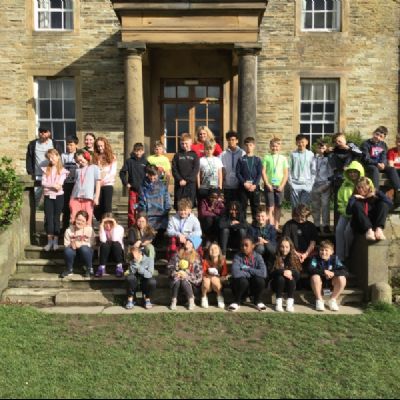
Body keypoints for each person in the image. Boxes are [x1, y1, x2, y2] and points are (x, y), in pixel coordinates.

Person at [335, 161, 372, 261]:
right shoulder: (344, 185)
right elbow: (340, 201)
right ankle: (339, 256)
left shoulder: (366, 181)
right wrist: (345, 212)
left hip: (358, 213)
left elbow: (371, 193)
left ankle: (347, 253)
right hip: (345, 213)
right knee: (339, 229)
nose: (352, 174)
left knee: (347, 231)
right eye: (350, 172)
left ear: (360, 172)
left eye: (355, 172)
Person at [324, 132, 364, 225]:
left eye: (339, 140)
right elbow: (326, 155)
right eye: (336, 142)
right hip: (339, 170)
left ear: (344, 139)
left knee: (350, 154)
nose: (338, 143)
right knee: (331, 154)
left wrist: (348, 148)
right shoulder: (336, 148)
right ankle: (336, 172)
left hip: (349, 168)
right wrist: (327, 151)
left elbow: (360, 154)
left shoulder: (351, 144)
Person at [228, 237, 267, 312]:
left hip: (252, 285)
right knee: (243, 281)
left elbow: (263, 273)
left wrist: (246, 268)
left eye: (246, 245)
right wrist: (252, 274)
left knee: (260, 280)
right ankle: (237, 301)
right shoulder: (237, 256)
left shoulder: (258, 257)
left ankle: (257, 301)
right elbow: (235, 273)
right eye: (242, 245)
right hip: (240, 285)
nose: (244, 247)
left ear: (253, 246)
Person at [346, 177, 392, 241]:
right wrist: (353, 197)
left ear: (369, 187)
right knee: (356, 204)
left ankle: (379, 229)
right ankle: (369, 230)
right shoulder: (356, 198)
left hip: (374, 222)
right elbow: (348, 212)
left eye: (363, 187)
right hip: (361, 225)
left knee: (383, 204)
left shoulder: (376, 195)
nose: (361, 190)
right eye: (359, 187)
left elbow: (390, 204)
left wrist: (377, 193)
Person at [26, 127, 62, 208]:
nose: (42, 133)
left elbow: (59, 157)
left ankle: (50, 215)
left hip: (52, 175)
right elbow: (29, 159)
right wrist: (30, 172)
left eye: (45, 131)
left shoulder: (54, 143)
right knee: (36, 196)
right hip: (38, 174)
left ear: (49, 133)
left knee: (52, 196)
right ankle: (33, 215)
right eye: (41, 131)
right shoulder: (33, 144)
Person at [41, 149, 69, 251]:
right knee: (49, 218)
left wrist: (50, 185)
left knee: (56, 218)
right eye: (49, 158)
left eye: (53, 157)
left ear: (58, 156)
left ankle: (55, 241)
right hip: (48, 196)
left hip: (58, 197)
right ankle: (49, 242)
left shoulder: (63, 171)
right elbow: (43, 183)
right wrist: (52, 185)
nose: (51, 159)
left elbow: (59, 185)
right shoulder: (46, 169)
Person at [308, 240, 348, 312]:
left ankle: (333, 300)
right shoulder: (315, 258)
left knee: (342, 278)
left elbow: (344, 270)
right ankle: (319, 300)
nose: (324, 252)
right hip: (318, 283)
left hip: (331, 283)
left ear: (331, 252)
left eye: (326, 250)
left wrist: (333, 273)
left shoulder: (335, 259)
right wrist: (324, 272)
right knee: (315, 277)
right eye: (321, 250)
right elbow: (310, 269)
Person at [360, 126, 400, 194]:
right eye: (377, 134)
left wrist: (383, 163)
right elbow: (366, 158)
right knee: (374, 169)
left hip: (380, 165)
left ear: (383, 138)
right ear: (373, 133)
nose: (378, 137)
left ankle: (398, 188)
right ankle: (376, 191)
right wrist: (376, 164)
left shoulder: (383, 144)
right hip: (369, 165)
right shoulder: (365, 144)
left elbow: (384, 156)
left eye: (381, 136)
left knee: (391, 169)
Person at [261, 136, 288, 230]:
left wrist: (282, 185)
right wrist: (267, 183)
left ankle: (276, 226)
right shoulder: (266, 157)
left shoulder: (283, 158)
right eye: (273, 146)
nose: (275, 148)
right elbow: (263, 171)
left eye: (277, 146)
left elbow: (286, 173)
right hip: (269, 185)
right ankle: (270, 226)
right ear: (270, 146)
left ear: (280, 147)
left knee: (278, 207)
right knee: (270, 207)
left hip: (279, 185)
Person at [168, 239, 203, 311]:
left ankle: (191, 301)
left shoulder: (196, 257)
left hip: (192, 284)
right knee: (177, 280)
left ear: (193, 245)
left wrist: (187, 276)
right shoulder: (177, 254)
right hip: (177, 280)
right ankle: (174, 301)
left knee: (184, 281)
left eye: (190, 241)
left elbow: (199, 276)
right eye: (187, 241)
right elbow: (170, 266)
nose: (187, 242)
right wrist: (176, 273)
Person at [270, 237, 302, 313]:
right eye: (282, 246)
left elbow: (298, 275)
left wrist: (291, 272)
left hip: (290, 286)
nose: (284, 249)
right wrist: (283, 272)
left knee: (291, 278)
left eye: (287, 247)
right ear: (279, 247)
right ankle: (278, 303)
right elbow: (271, 273)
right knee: (280, 278)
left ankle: (289, 304)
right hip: (276, 284)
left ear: (290, 247)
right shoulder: (274, 256)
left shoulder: (294, 257)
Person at [69, 149, 101, 226]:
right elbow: (76, 184)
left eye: (81, 160)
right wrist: (71, 198)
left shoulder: (94, 167)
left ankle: (87, 232)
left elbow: (98, 183)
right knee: (74, 217)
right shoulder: (77, 170)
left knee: (88, 217)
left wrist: (96, 197)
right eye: (77, 161)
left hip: (88, 198)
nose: (80, 162)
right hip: (76, 197)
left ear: (86, 157)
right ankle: (74, 232)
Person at [119, 142, 148, 227]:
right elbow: (122, 173)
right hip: (133, 190)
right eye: (136, 151)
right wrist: (126, 183)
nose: (138, 153)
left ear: (143, 151)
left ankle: (142, 227)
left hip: (143, 191)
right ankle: (132, 228)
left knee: (142, 209)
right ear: (134, 151)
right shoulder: (129, 161)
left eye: (140, 151)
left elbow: (150, 173)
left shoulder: (146, 162)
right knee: (132, 209)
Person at [60, 210, 95, 278]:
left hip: (87, 255)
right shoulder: (68, 230)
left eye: (83, 221)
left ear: (86, 222)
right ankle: (69, 269)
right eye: (78, 220)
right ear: (75, 219)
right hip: (74, 255)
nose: (80, 222)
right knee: (68, 250)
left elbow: (92, 243)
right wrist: (71, 245)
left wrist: (81, 244)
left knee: (84, 248)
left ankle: (89, 269)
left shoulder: (89, 230)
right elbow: (66, 244)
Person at [138, 164, 171, 234]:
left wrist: (165, 211)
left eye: (154, 176)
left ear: (157, 174)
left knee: (160, 238)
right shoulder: (143, 187)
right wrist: (144, 214)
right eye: (150, 176)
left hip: (161, 218)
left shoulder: (162, 185)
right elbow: (141, 202)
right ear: (147, 174)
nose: (152, 178)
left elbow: (167, 200)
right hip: (149, 217)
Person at [236, 136, 263, 222]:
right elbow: (238, 173)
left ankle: (256, 224)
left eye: (250, 145)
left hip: (254, 187)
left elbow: (259, 173)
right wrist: (244, 183)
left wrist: (255, 184)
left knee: (255, 207)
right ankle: (243, 224)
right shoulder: (241, 159)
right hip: (243, 187)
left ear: (254, 146)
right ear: (244, 146)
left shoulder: (257, 160)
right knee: (242, 207)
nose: (249, 147)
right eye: (247, 145)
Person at [172, 133, 199, 210]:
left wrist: (187, 180)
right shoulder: (177, 155)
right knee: (179, 206)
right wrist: (180, 179)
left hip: (190, 185)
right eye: (182, 143)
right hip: (179, 184)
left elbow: (195, 170)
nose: (184, 145)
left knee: (189, 205)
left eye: (186, 143)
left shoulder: (194, 155)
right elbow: (174, 169)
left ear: (190, 143)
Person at [311, 140, 333, 233]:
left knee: (325, 206)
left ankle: (325, 225)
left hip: (325, 185)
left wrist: (327, 184)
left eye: (323, 148)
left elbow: (331, 173)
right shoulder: (313, 158)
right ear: (316, 148)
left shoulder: (328, 159)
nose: (321, 150)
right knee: (315, 206)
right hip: (314, 184)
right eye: (319, 148)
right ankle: (316, 225)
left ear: (326, 149)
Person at [93, 137, 117, 221]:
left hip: (107, 185)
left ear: (105, 145)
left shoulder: (112, 157)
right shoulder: (95, 157)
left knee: (107, 207)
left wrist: (102, 181)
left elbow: (112, 173)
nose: (100, 148)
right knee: (97, 206)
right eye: (98, 146)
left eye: (101, 146)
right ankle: (101, 222)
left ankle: (107, 223)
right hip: (97, 185)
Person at [288, 134, 315, 209]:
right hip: (295, 183)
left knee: (305, 207)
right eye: (299, 142)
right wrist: (291, 183)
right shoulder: (293, 154)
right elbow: (289, 169)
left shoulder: (311, 154)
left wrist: (311, 183)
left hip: (307, 184)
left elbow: (313, 170)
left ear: (307, 142)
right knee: (295, 207)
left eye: (302, 142)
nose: (301, 144)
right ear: (296, 143)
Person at [125, 246, 157, 310]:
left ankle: (147, 299)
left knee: (152, 282)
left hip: (145, 281)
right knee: (129, 278)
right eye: (132, 254)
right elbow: (131, 273)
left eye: (134, 254)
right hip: (135, 282)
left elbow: (149, 274)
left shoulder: (149, 260)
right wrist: (134, 263)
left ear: (140, 253)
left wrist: (139, 268)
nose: (133, 256)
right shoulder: (132, 261)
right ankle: (130, 299)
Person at [220, 130, 245, 207]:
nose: (231, 142)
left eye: (233, 140)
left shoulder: (242, 153)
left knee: (238, 207)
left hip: (239, 186)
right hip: (227, 186)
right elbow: (220, 169)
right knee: (227, 207)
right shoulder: (222, 154)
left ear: (237, 141)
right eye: (229, 140)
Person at [96, 213, 125, 278]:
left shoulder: (119, 228)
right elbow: (103, 240)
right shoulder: (102, 228)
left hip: (117, 254)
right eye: (105, 223)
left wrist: (114, 226)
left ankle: (119, 267)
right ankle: (102, 267)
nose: (108, 225)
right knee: (104, 244)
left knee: (116, 244)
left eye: (110, 222)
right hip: (106, 255)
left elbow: (115, 239)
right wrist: (101, 227)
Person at [201, 243, 228, 309]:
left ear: (219, 251)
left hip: (217, 284)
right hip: (207, 285)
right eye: (211, 249)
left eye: (216, 248)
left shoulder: (222, 261)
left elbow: (224, 275)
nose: (213, 250)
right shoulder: (205, 261)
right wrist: (210, 277)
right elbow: (203, 274)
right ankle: (204, 297)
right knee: (206, 280)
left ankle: (219, 296)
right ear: (209, 252)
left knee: (214, 279)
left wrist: (217, 278)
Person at [61, 136, 79, 232]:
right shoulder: (63, 155)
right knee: (66, 206)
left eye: (71, 145)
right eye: (67, 144)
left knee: (75, 206)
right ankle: (64, 226)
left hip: (76, 184)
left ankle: (76, 226)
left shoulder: (79, 154)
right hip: (66, 184)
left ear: (76, 145)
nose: (69, 147)